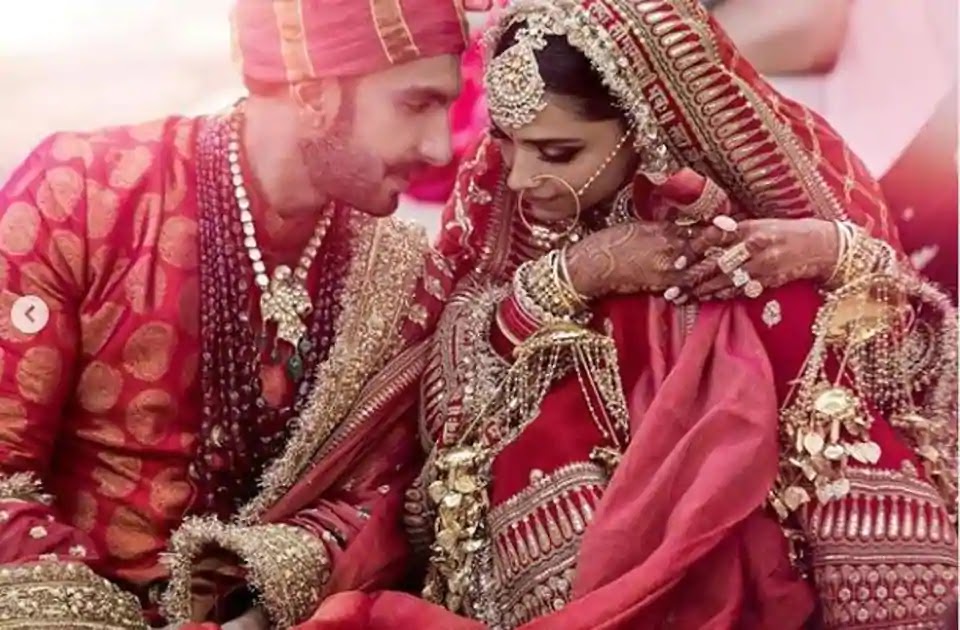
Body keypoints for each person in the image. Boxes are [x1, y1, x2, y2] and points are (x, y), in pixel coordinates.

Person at [296, 0, 958, 628]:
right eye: (505, 142)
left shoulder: (761, 245)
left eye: (558, 153)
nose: (519, 177)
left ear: (646, 129)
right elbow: (450, 387)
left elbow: (908, 359)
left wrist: (833, 251)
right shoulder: (514, 228)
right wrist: (571, 277)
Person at [0, 0, 476, 628]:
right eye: (416, 105)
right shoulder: (86, 196)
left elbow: (377, 503)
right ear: (312, 95)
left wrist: (250, 606)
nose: (441, 147)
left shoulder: (400, 274)